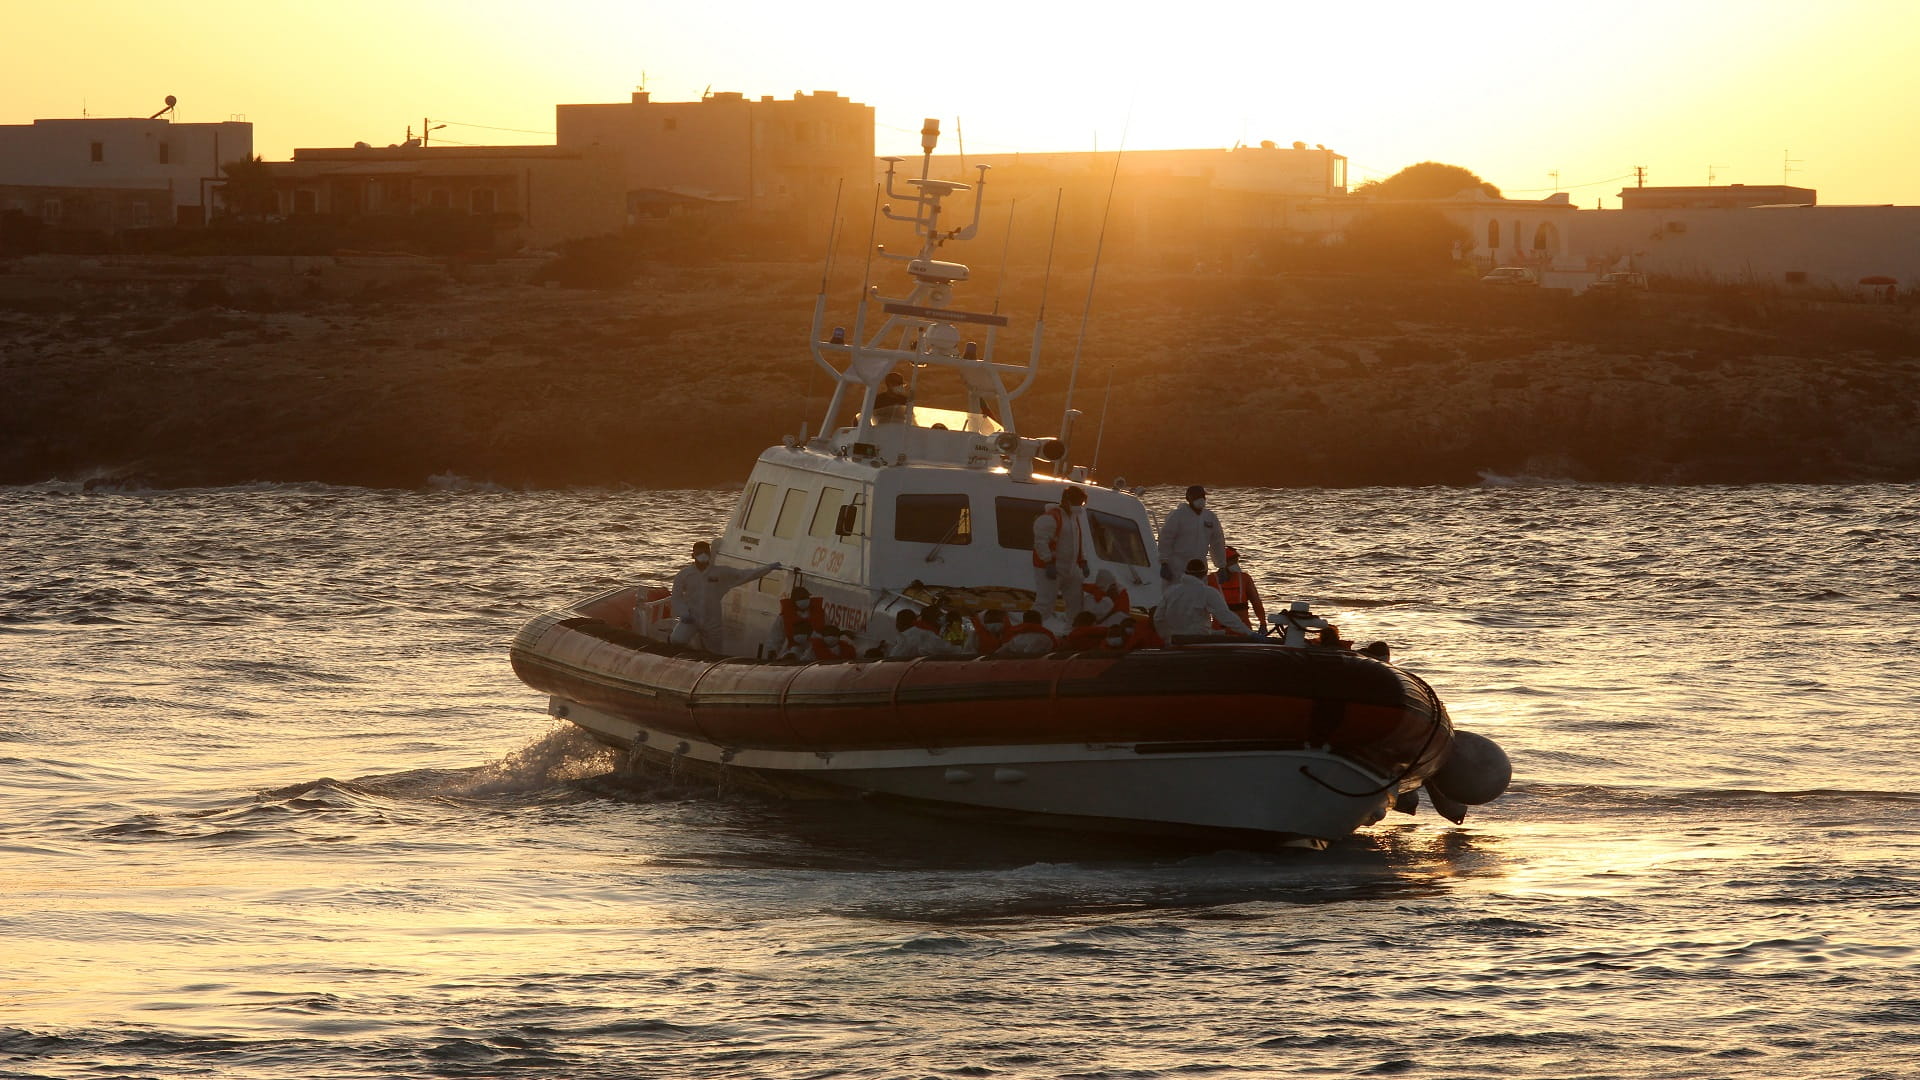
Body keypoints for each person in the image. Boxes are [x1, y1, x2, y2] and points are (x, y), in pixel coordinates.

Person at [669, 541, 781, 653]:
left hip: (712, 620)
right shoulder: (684, 574)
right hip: (691, 617)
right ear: (693, 555)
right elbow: (676, 596)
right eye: (699, 553)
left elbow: (745, 574)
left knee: (715, 650)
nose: (703, 555)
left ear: (710, 554)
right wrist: (683, 613)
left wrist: (768, 568)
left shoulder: (720, 572)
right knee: (677, 640)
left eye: (705, 552)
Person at [1033, 485, 1091, 623]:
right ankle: (1029, 630)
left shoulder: (1073, 518)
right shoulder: (1049, 519)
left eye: (1081, 503)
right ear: (1066, 500)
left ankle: (1072, 632)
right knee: (1045, 604)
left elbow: (1077, 542)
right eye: (1077, 503)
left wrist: (1082, 561)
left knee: (1076, 603)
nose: (1079, 506)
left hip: (1071, 568)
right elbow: (1040, 543)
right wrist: (1048, 562)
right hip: (1051, 568)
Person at [1154, 559, 1252, 639]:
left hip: (1175, 640)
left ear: (1186, 573)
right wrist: (1249, 633)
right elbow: (1226, 617)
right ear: (1205, 573)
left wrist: (1167, 639)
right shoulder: (1208, 593)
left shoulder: (1170, 591)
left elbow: (1158, 618)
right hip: (1199, 641)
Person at [1158, 485, 1228, 583]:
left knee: (1199, 595)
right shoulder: (1177, 515)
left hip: (1200, 567)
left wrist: (1221, 566)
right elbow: (1165, 539)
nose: (1201, 499)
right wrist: (1164, 562)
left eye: (1202, 496)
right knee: (1177, 594)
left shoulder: (1210, 517)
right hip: (1177, 566)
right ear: (1188, 498)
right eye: (1197, 496)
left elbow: (1217, 542)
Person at [1206, 547, 1265, 633]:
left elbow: (1256, 603)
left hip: (1243, 628)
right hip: (1220, 629)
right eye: (1232, 561)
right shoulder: (1211, 579)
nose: (1235, 563)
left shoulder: (1245, 578)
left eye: (1236, 561)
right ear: (1223, 563)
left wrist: (1263, 623)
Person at [887, 608, 960, 658]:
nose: (896, 625)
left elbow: (948, 649)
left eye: (898, 621)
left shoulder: (918, 635)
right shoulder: (920, 635)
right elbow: (951, 650)